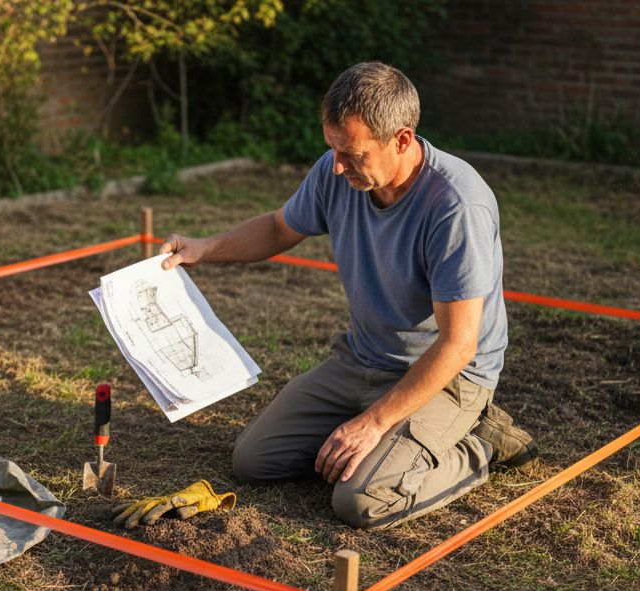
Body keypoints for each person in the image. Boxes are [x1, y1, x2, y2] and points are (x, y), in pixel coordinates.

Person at [156, 61, 537, 530]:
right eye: (333, 149)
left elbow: (459, 344)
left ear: (402, 139)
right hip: (363, 360)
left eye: (353, 153)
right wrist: (205, 248)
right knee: (254, 461)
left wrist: (374, 423)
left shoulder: (456, 205)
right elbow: (280, 227)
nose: (337, 166)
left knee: (361, 502)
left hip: (449, 375)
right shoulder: (337, 171)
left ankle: (482, 442)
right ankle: (390, 441)